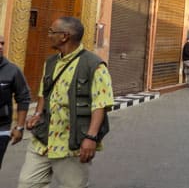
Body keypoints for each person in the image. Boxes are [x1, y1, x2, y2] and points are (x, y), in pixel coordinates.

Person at [19, 17, 113, 187]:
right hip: (43, 138)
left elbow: (101, 104)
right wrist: (38, 113)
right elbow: (43, 92)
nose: (48, 35)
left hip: (71, 143)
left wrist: (91, 138)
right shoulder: (51, 62)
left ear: (64, 36)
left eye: (51, 32)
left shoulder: (94, 65)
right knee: (27, 183)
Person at [0, 34, 31, 169]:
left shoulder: (12, 70)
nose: (0, 47)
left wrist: (19, 127)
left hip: (1, 129)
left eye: (2, 43)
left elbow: (23, 97)